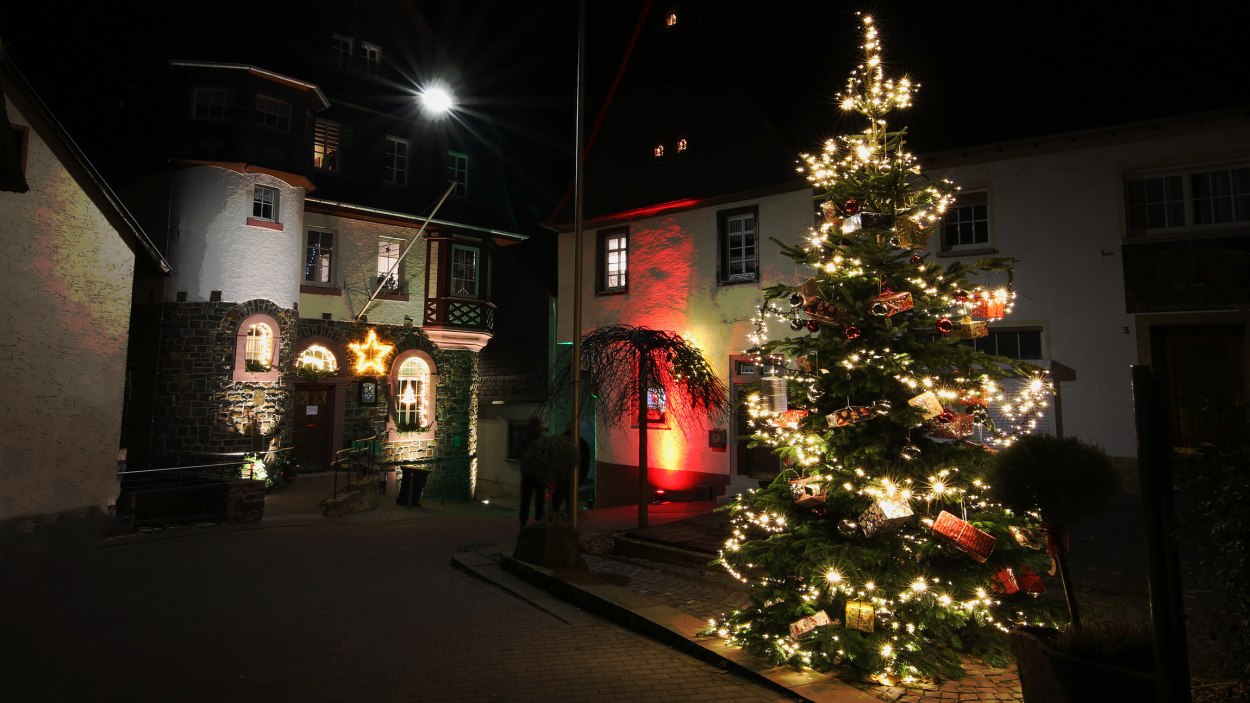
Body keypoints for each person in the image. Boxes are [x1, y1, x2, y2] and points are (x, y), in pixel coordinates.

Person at [551, 424, 591, 516]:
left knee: (559, 499)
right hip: (570, 477)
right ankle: (569, 517)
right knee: (569, 499)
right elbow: (585, 463)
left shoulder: (561, 441)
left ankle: (557, 515)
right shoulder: (581, 443)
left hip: (564, 477)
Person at [517, 417, 546, 527]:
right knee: (537, 497)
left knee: (527, 498)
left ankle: (524, 521)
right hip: (536, 473)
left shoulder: (524, 438)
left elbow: (519, 453)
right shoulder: (538, 439)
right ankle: (538, 518)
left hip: (528, 473)